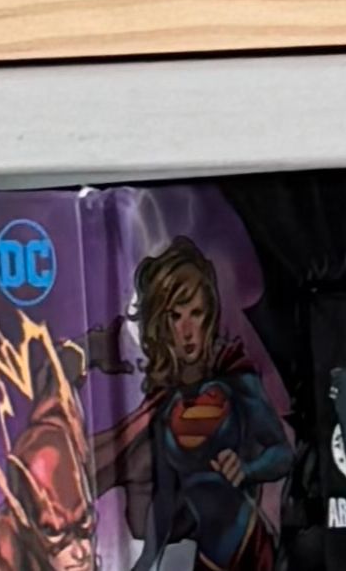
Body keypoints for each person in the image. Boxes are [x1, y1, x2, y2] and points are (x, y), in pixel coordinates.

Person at [97, 238, 291, 571]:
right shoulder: (165, 404)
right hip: (207, 556)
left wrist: (247, 469)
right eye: (176, 316)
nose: (187, 331)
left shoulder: (236, 377)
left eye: (195, 313)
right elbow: (164, 500)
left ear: (209, 316)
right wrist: (145, 563)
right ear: (163, 323)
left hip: (248, 546)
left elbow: (282, 453)